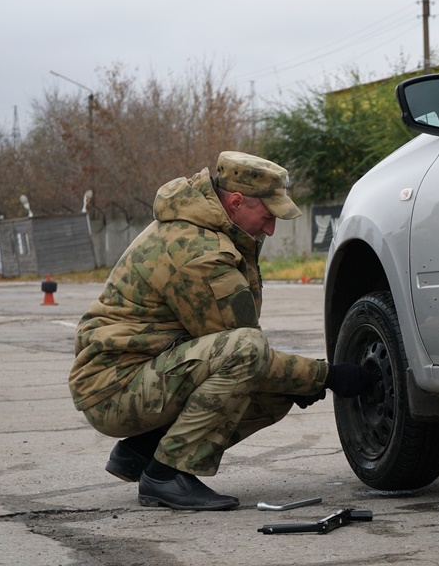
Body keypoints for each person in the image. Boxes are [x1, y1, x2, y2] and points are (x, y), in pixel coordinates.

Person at [68, 151, 376, 511]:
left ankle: (144, 449)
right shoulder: (199, 252)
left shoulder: (209, 230)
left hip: (140, 374)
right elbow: (242, 348)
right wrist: (327, 376)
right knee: (250, 353)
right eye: (267, 215)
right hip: (115, 390)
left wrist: (306, 379)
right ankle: (166, 474)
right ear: (235, 201)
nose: (271, 227)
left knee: (276, 392)